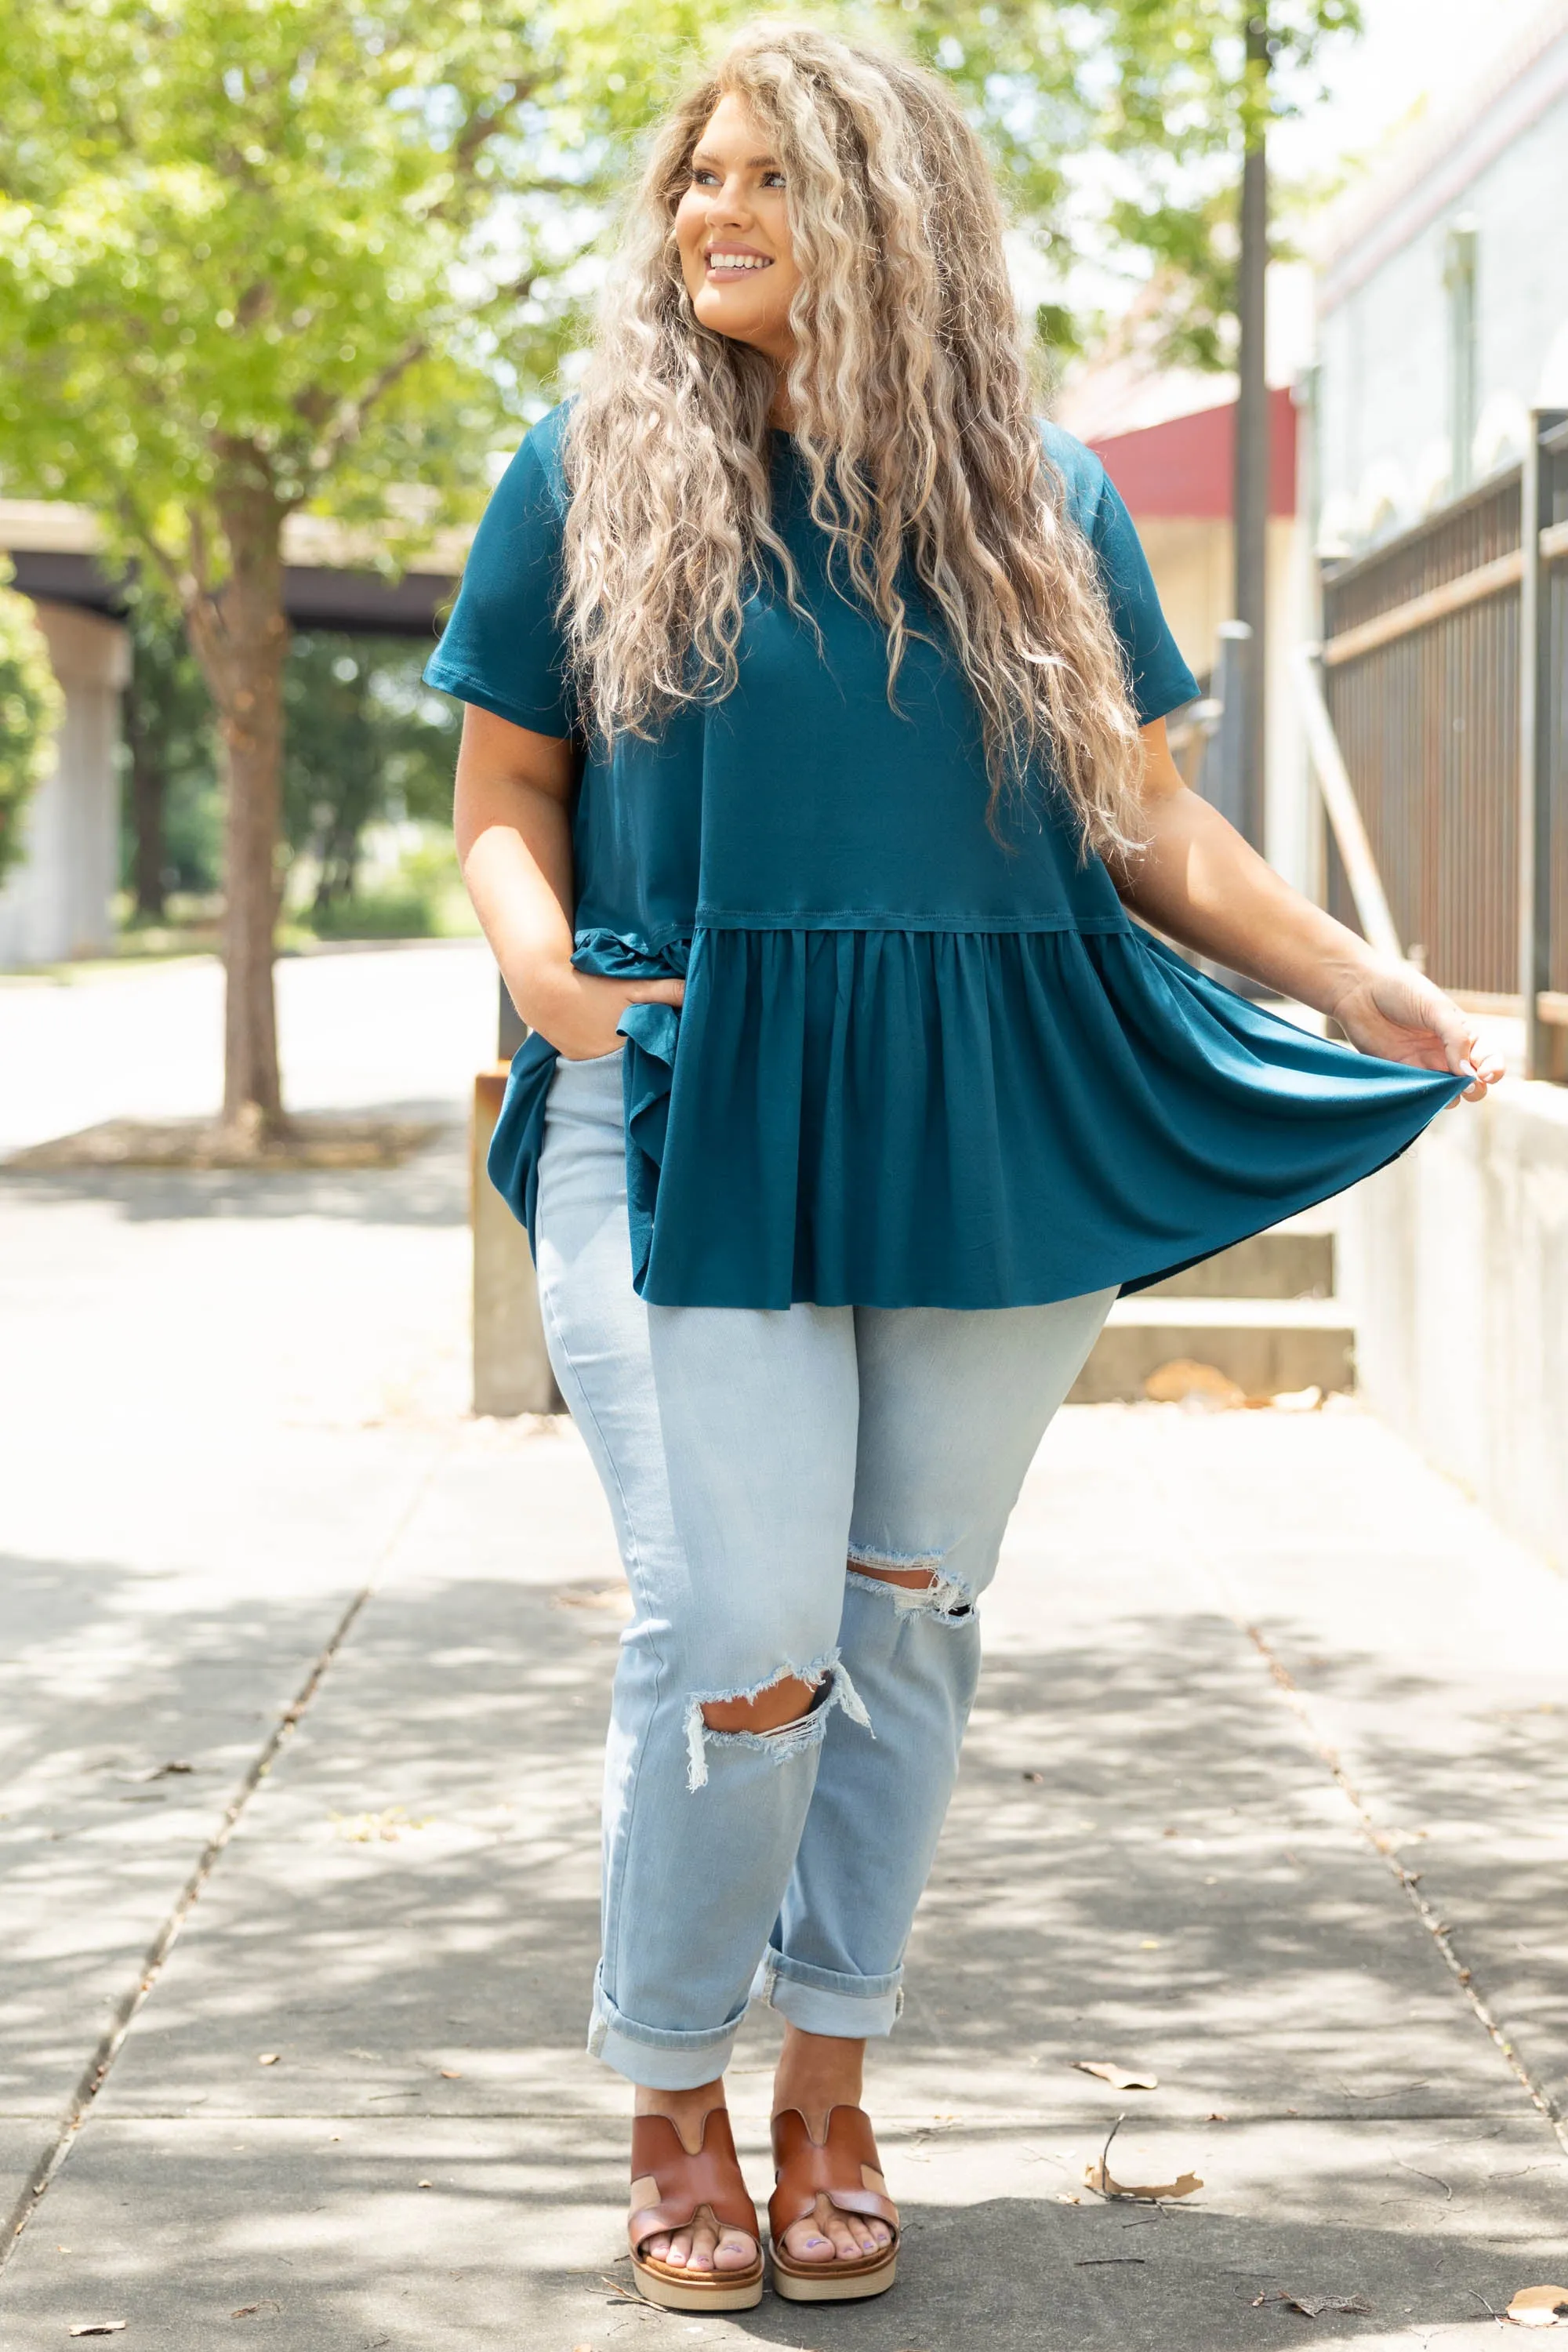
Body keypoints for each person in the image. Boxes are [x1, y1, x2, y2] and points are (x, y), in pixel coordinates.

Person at [430, 23, 1501, 2313]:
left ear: (894, 218)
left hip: (981, 1104)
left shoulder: (1042, 498)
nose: (711, 213)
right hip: (691, 1094)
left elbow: (1141, 821)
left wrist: (1354, 983)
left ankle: (828, 2079)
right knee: (741, 1627)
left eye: (770, 181)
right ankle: (668, 2090)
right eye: (696, 178)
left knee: (905, 1622)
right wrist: (543, 979)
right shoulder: (588, 469)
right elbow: (504, 793)